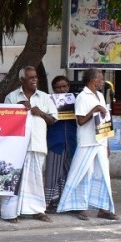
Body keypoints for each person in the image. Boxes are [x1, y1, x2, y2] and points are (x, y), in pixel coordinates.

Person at [57, 68, 118, 220]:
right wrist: (95, 109)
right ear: (93, 80)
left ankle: (104, 208)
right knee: (83, 173)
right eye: (101, 78)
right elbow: (81, 121)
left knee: (103, 175)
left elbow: (105, 122)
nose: (103, 81)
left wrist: (107, 144)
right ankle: (79, 207)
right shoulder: (82, 97)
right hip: (87, 142)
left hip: (101, 142)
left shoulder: (100, 96)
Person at [0, 66, 57, 223]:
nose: (34, 80)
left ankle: (38, 211)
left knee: (36, 180)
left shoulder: (45, 97)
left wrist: (41, 113)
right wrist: (17, 108)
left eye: (35, 77)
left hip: (37, 145)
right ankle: (11, 212)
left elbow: (53, 120)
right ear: (22, 80)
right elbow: (4, 121)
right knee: (15, 179)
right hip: (17, 147)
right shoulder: (12, 97)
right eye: (30, 77)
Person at [45, 76, 77, 213]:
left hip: (71, 142)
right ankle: (49, 202)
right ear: (54, 89)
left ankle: (65, 202)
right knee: (53, 173)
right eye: (58, 87)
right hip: (55, 142)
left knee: (68, 173)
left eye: (64, 86)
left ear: (68, 87)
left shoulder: (76, 101)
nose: (62, 89)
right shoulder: (48, 101)